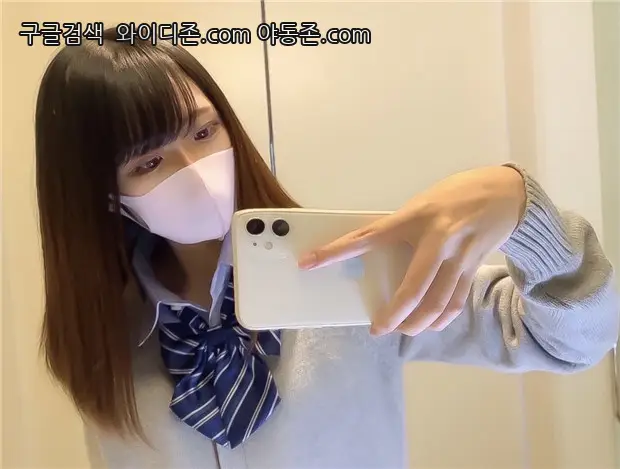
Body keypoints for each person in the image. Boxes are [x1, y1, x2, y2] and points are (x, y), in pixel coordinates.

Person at [34, 28, 618, 469]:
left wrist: (522, 211)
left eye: (205, 131)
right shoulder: (102, 340)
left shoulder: (349, 267)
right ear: (104, 194)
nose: (194, 169)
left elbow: (571, 340)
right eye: (149, 162)